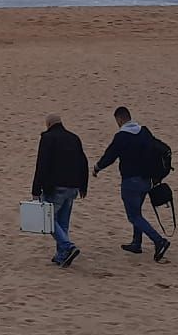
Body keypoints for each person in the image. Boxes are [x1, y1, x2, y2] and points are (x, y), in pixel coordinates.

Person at [94, 106, 170, 261]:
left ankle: (159, 241)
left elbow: (110, 156)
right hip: (146, 180)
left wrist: (97, 167)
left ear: (120, 119)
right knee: (137, 212)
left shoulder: (121, 136)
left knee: (134, 216)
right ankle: (136, 243)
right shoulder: (144, 132)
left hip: (130, 181)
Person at [31, 113, 89, 268]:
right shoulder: (74, 138)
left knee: (47, 219)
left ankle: (68, 246)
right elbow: (83, 162)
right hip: (73, 187)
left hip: (55, 187)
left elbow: (41, 164)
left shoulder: (48, 138)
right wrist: (83, 186)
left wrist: (36, 189)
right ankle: (62, 255)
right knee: (62, 223)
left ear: (48, 124)